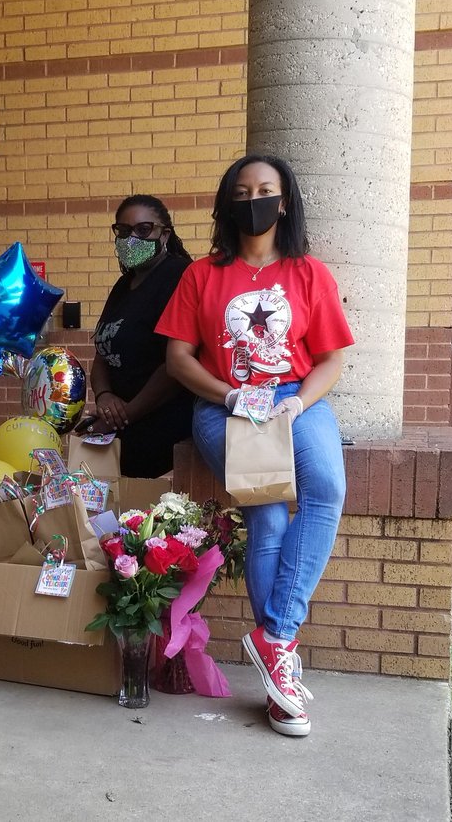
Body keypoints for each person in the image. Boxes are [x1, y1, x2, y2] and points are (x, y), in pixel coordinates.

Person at [157, 154, 354, 738]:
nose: (254, 200)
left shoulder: (309, 273)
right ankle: (280, 672)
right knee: (266, 514)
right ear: (227, 203)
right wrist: (230, 396)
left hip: (295, 396)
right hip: (225, 404)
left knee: (326, 490)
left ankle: (275, 637)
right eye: (242, 192)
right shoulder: (203, 276)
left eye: (266, 190)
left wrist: (299, 401)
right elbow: (178, 360)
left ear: (284, 200)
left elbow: (332, 358)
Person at [76, 195, 194, 477]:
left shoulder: (179, 276)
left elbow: (174, 365)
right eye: (124, 231)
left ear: (164, 234)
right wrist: (104, 396)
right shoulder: (123, 285)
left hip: (163, 429)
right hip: (122, 427)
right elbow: (104, 351)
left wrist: (124, 415)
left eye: (143, 230)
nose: (132, 239)